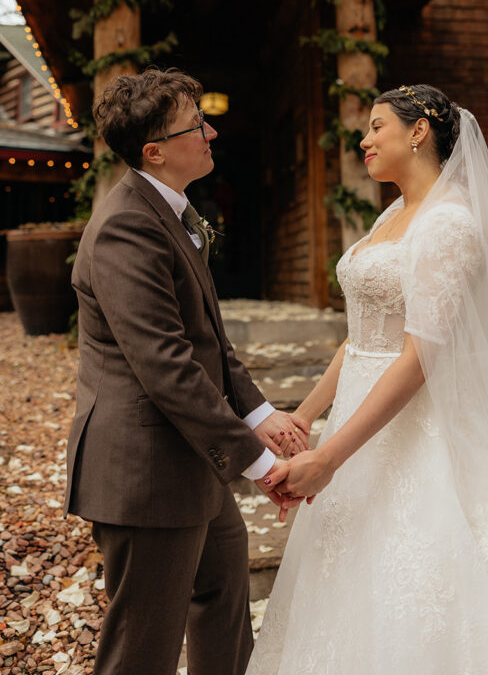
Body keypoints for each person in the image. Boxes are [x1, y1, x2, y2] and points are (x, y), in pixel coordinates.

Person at [247, 84, 488, 675]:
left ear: (419, 130)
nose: (363, 139)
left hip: (421, 431)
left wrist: (331, 458)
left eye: (376, 127)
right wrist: (306, 415)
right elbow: (362, 337)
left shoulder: (450, 225)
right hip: (357, 416)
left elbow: (420, 356)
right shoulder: (392, 216)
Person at [63, 68, 306, 675]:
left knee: (223, 592)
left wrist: (260, 413)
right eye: (197, 125)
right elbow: (167, 366)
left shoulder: (173, 211)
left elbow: (209, 340)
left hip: (190, 457)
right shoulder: (126, 226)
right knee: (141, 646)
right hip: (145, 469)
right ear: (156, 151)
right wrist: (259, 462)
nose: (212, 132)